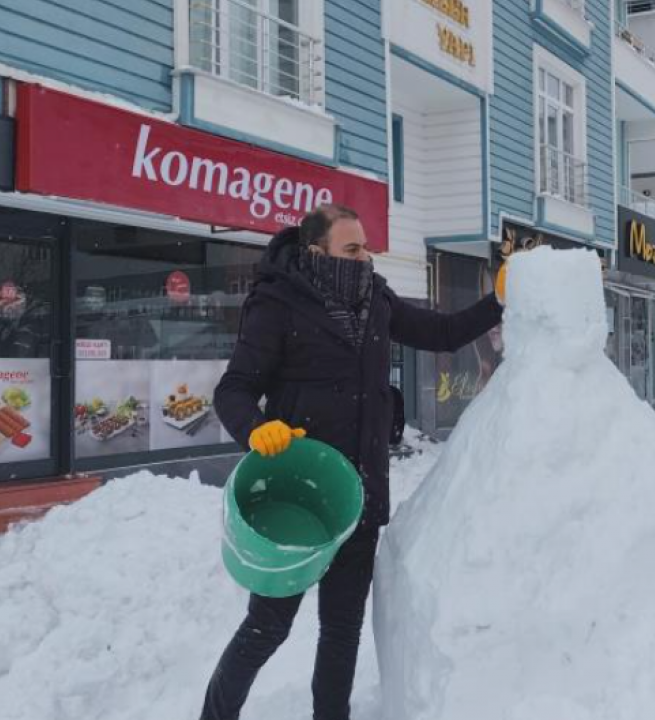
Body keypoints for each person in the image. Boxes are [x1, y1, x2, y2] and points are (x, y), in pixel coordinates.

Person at [202, 204, 506, 720]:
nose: (365, 257)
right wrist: (256, 430)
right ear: (316, 251)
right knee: (267, 627)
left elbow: (442, 333)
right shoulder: (276, 303)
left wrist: (498, 300)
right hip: (298, 497)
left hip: (358, 497)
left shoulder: (376, 298)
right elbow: (233, 389)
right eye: (352, 248)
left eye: (366, 246)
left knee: (341, 633)